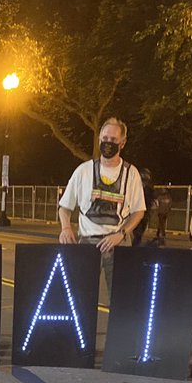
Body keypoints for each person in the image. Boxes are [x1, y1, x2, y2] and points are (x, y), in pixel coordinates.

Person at [57, 118, 146, 293]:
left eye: (113, 140)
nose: (108, 143)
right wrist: (66, 228)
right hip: (88, 243)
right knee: (81, 299)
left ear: (122, 143)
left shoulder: (131, 173)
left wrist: (121, 234)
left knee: (121, 300)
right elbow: (65, 207)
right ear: (99, 140)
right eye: (105, 138)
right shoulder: (83, 171)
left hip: (118, 244)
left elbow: (138, 211)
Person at [133, 168, 154, 246]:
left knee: (140, 232)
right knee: (137, 232)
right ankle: (135, 246)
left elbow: (151, 200)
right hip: (137, 211)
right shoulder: (136, 187)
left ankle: (136, 245)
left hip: (145, 212)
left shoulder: (149, 188)